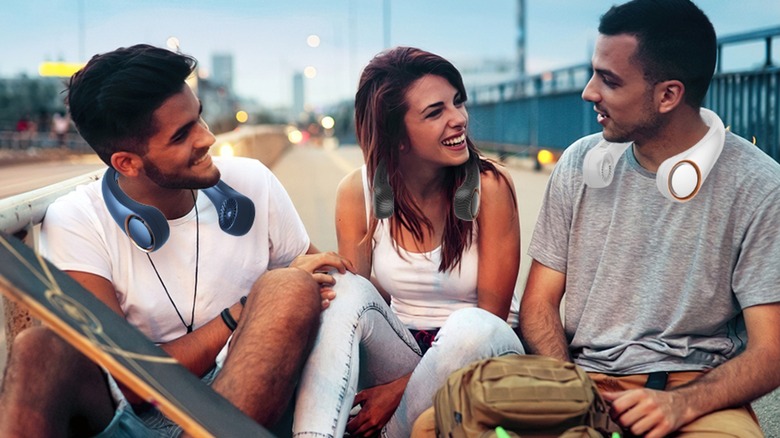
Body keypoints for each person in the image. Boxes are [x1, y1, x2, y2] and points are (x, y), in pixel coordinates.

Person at [0, 44, 355, 436]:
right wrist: (242, 309)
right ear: (127, 162)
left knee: (288, 286)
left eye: (199, 118)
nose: (208, 138)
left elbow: (327, 284)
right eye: (182, 135)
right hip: (135, 418)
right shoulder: (77, 219)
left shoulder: (252, 182)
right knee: (38, 347)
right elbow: (133, 382)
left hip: (245, 403)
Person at [519, 1, 780, 437]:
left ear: (668, 95)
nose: (588, 92)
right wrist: (569, 390)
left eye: (609, 80)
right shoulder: (580, 162)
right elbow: (538, 302)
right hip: (582, 378)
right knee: (439, 423)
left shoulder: (760, 186)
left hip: (696, 392)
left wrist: (681, 405)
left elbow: (771, 351)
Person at [291, 46, 525, 438]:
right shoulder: (359, 192)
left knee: (470, 327)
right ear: (396, 134)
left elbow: (492, 318)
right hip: (403, 346)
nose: (459, 119)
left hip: (483, 355)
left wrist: (398, 391)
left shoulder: (489, 187)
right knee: (345, 289)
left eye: (458, 103)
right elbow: (362, 305)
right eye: (436, 112)